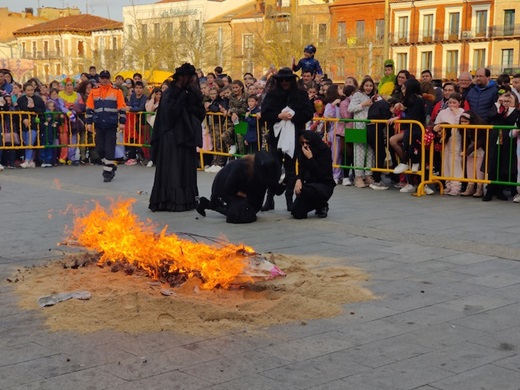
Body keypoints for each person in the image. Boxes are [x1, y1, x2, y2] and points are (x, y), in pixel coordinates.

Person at [149, 63, 206, 212]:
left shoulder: (191, 93)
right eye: (189, 77)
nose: (193, 81)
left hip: (186, 137)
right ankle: (170, 200)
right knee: (173, 169)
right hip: (171, 137)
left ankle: (187, 200)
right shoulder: (170, 93)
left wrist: (190, 103)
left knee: (185, 168)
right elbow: (169, 115)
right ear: (182, 77)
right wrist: (182, 99)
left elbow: (200, 112)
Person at [260, 67, 314, 211]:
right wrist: (279, 116)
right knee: (273, 168)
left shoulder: (300, 94)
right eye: (281, 80)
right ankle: (269, 199)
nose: (284, 82)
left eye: (287, 80)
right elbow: (265, 113)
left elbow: (309, 113)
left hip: (295, 135)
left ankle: (289, 199)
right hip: (276, 137)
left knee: (290, 168)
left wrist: (293, 116)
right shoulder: (272, 94)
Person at [196, 151, 283, 223]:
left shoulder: (265, 171)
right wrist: (243, 195)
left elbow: (277, 190)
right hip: (224, 190)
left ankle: (221, 205)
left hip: (244, 190)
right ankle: (211, 204)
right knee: (241, 213)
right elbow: (227, 189)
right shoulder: (240, 167)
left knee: (252, 210)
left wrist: (287, 182)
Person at [85, 70, 127, 182]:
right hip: (99, 124)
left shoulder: (116, 91)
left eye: (106, 77)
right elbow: (89, 108)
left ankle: (107, 173)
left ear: (109, 78)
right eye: (102, 77)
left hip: (111, 124)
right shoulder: (94, 91)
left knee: (109, 149)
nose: (104, 79)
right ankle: (111, 165)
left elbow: (121, 107)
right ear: (99, 79)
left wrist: (122, 122)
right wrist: (88, 122)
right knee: (100, 149)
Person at [292, 131, 335, 219]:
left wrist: (311, 158)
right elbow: (301, 169)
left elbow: (323, 175)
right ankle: (316, 205)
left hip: (324, 185)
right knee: (296, 212)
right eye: (302, 143)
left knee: (308, 190)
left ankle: (322, 205)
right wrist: (298, 180)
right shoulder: (303, 151)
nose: (305, 146)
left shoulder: (324, 151)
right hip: (309, 185)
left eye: (307, 143)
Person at [433, 92, 465, 195]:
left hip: (456, 139)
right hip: (445, 140)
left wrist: (456, 113)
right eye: (450, 102)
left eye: (454, 102)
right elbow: (437, 123)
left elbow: (460, 124)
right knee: (445, 161)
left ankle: (456, 185)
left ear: (459, 103)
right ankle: (447, 183)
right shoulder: (443, 112)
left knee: (455, 162)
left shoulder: (462, 112)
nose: (451, 104)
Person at [17, 82, 46, 168]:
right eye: (28, 90)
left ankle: (27, 160)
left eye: (32, 90)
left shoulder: (38, 99)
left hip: (34, 123)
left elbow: (42, 110)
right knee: (26, 142)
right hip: (23, 123)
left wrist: (33, 107)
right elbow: (20, 110)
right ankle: (31, 160)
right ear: (25, 91)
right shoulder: (21, 99)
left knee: (30, 141)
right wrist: (24, 119)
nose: (30, 92)